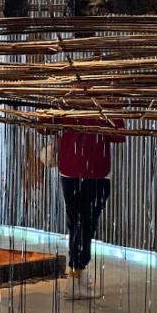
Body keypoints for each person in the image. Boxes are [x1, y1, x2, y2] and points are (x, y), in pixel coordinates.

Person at [55, 101, 125, 300]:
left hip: (70, 169)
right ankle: (76, 273)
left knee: (77, 223)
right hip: (94, 171)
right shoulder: (103, 99)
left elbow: (44, 126)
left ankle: (78, 274)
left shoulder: (66, 97)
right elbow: (118, 134)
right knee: (85, 224)